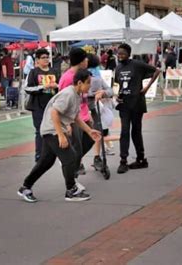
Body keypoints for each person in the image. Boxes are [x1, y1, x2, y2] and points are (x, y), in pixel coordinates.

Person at [17, 69, 101, 203]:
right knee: (70, 157)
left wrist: (89, 131)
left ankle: (25, 187)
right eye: (88, 83)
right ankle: (71, 190)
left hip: (52, 129)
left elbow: (75, 117)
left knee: (46, 162)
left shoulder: (76, 95)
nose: (90, 85)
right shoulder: (68, 94)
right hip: (52, 130)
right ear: (79, 83)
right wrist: (60, 135)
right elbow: (54, 112)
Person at [114, 43, 160, 174]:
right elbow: (117, 85)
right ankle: (123, 160)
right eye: (119, 53)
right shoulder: (118, 68)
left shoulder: (137, 64)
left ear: (129, 54)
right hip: (124, 104)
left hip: (137, 103)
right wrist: (117, 96)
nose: (120, 55)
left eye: (123, 53)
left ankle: (141, 158)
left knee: (136, 131)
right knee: (124, 131)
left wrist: (146, 87)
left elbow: (157, 71)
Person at [59, 48, 90, 176]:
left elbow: (83, 97)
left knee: (90, 139)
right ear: (81, 61)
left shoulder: (84, 74)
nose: (87, 60)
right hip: (72, 118)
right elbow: (61, 103)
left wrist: (88, 114)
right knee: (76, 147)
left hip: (83, 115)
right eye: (85, 58)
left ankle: (73, 164)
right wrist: (66, 124)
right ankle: (72, 174)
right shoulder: (67, 78)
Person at [25, 49, 59, 162]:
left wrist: (56, 86)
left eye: (47, 57)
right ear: (37, 60)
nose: (46, 59)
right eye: (43, 57)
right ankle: (39, 154)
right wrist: (43, 87)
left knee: (53, 129)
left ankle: (52, 152)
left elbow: (61, 87)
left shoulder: (55, 71)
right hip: (38, 106)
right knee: (39, 130)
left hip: (52, 105)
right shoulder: (33, 72)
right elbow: (27, 88)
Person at [86, 54, 114, 169]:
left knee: (95, 134)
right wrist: (102, 93)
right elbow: (110, 91)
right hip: (95, 110)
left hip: (89, 110)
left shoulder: (94, 77)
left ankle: (95, 157)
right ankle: (97, 156)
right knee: (97, 133)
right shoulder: (97, 75)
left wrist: (100, 93)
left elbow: (109, 91)